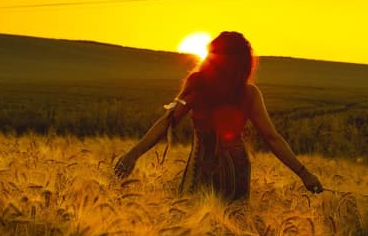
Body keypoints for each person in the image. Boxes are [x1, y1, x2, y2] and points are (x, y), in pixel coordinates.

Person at [114, 31, 323, 202]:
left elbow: (167, 123)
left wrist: (132, 155)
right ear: (244, 64)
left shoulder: (199, 85)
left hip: (203, 169)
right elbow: (272, 138)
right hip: (233, 171)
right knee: (231, 232)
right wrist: (304, 174)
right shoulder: (244, 93)